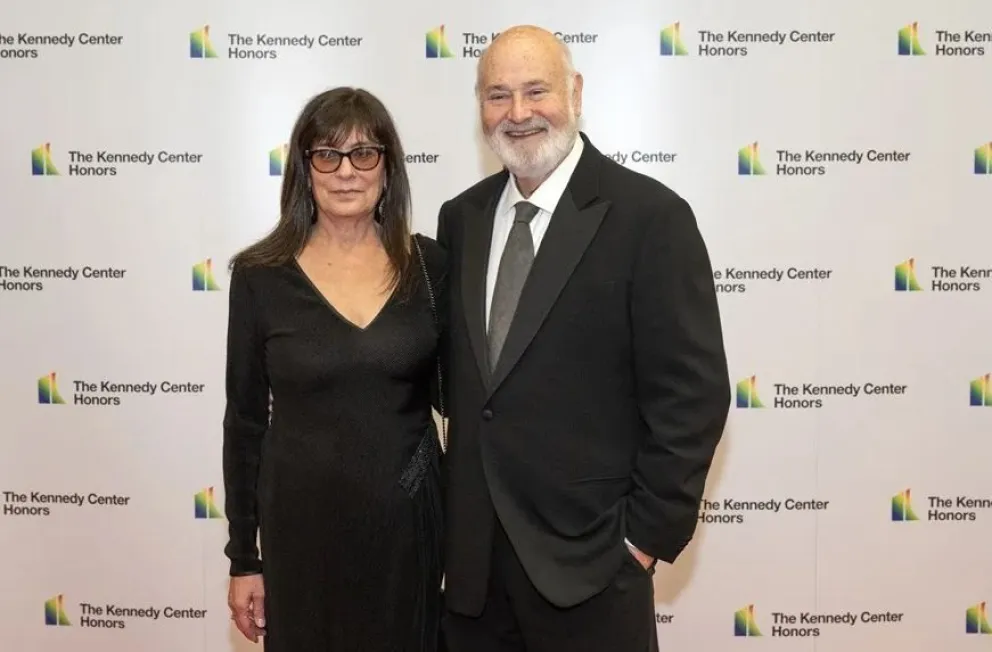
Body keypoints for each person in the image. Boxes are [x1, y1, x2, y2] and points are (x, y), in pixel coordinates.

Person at [435, 25, 731, 652]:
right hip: (473, 584)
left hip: (592, 577)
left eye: (535, 91)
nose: (517, 113)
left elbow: (693, 396)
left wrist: (641, 544)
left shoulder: (651, 218)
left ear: (574, 92)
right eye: (497, 95)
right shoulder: (460, 219)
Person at [221, 86, 447, 652]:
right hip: (301, 535)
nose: (346, 172)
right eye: (327, 155)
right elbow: (245, 423)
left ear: (388, 168)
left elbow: (470, 402)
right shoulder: (259, 276)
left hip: (407, 531)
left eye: (364, 154)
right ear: (305, 168)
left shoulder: (431, 264)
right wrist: (245, 559)